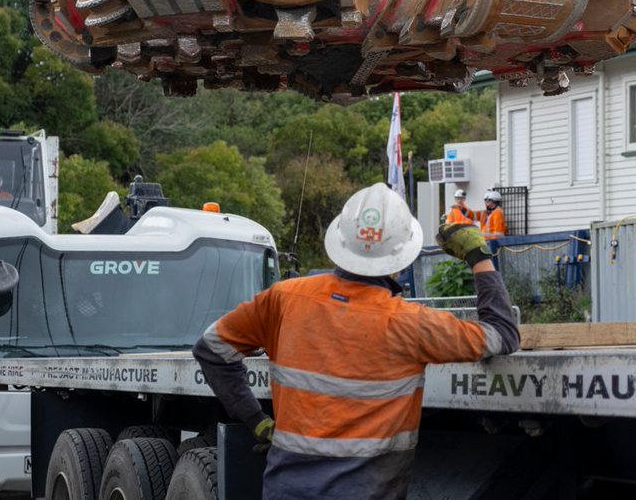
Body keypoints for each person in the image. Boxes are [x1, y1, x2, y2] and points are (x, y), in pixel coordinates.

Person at [192, 183, 519, 500]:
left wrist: (256, 421)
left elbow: (211, 349)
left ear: (339, 242)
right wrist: (478, 255)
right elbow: (502, 333)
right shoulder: (411, 323)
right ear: (402, 259)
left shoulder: (284, 299)